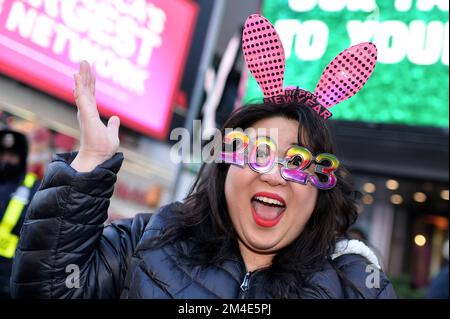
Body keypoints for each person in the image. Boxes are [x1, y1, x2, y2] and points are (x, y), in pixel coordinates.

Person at [11, 14, 396, 299]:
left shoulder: (356, 285)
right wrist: (90, 164)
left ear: (319, 191)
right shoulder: (149, 240)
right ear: (226, 167)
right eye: (259, 153)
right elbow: (47, 290)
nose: (275, 177)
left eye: (297, 163)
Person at [0, 128, 40, 298]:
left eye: (12, 156)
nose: (5, 160)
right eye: (2, 154)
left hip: (6, 276)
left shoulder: (33, 189)